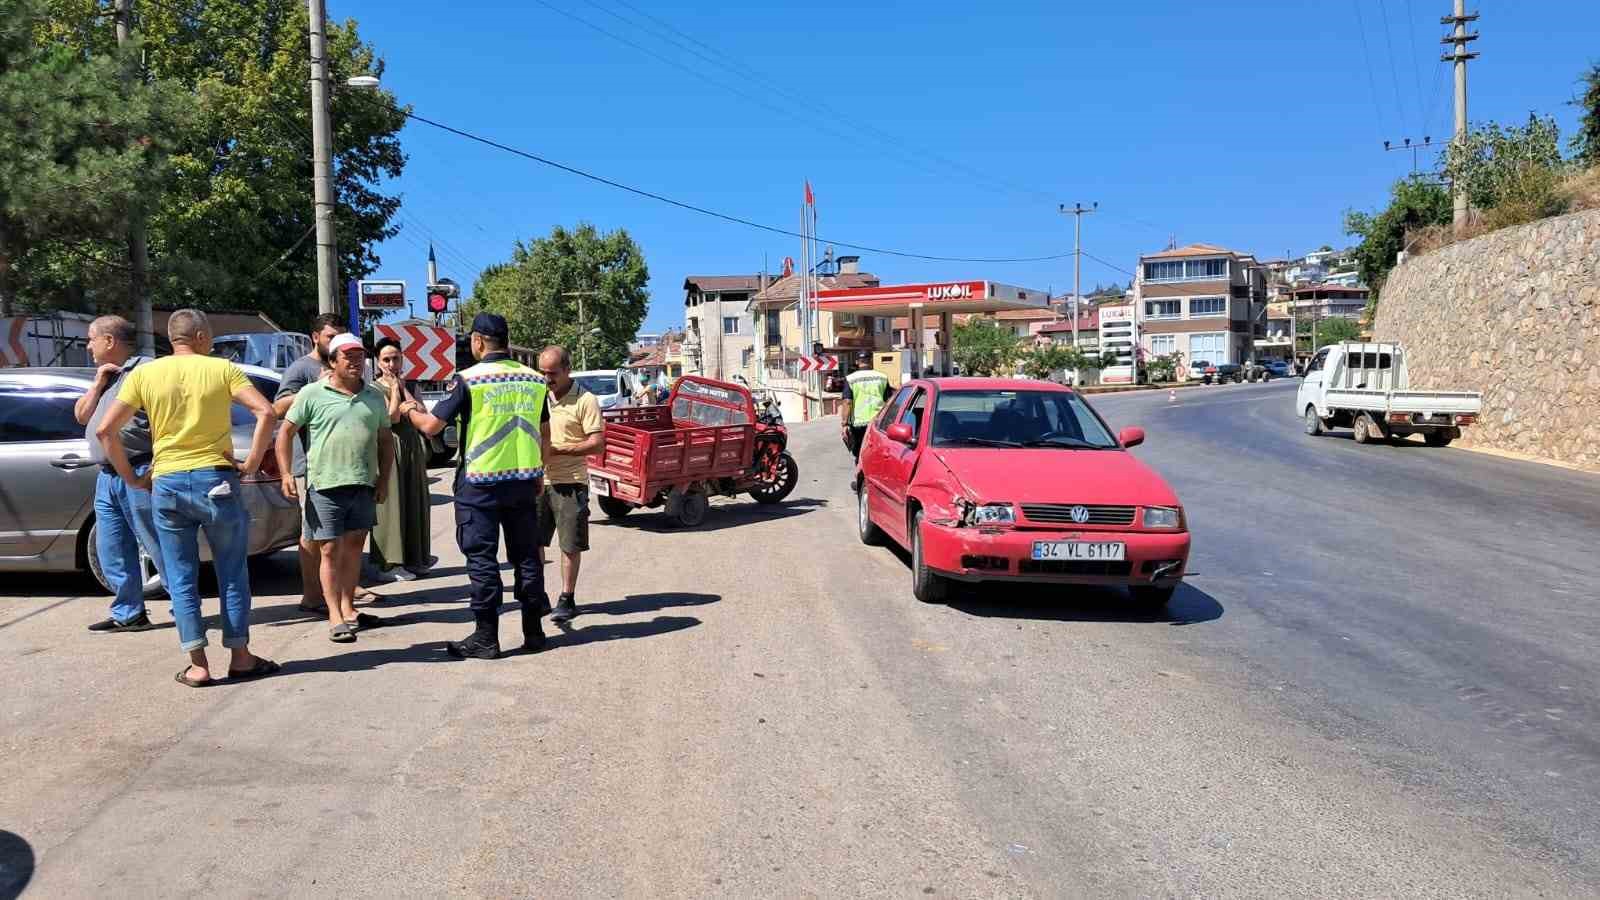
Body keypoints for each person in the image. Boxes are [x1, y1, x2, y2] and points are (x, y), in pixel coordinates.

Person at [97, 309, 280, 687]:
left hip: (166, 482)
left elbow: (104, 431)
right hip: (217, 480)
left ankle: (197, 664)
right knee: (232, 572)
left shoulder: (145, 374)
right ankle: (240, 657)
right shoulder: (222, 370)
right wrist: (250, 463)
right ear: (198, 335)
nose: (211, 340)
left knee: (180, 577)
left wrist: (133, 478)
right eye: (209, 334)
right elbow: (264, 411)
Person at [405, 313, 551, 659]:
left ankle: (487, 637)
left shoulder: (470, 379)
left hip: (480, 484)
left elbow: (431, 427)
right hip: (524, 481)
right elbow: (545, 433)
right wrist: (540, 473)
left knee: (482, 559)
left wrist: (410, 408)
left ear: (478, 341)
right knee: (528, 557)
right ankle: (534, 632)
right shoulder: (534, 380)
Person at [277, 333, 394, 643]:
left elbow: (385, 442)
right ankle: (334, 615)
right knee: (329, 550)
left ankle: (348, 608)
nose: (356, 362)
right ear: (332, 361)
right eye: (348, 357)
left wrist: (383, 480)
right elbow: (285, 433)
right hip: (325, 485)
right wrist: (286, 473)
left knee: (355, 548)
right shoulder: (312, 394)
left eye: (359, 357)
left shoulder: (373, 397)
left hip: (363, 483)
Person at [76, 315, 162, 633]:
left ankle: (186, 610)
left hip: (140, 469)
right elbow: (81, 415)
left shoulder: (147, 371)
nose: (88, 346)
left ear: (110, 341)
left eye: (91, 338)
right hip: (108, 476)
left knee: (159, 544)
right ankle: (129, 612)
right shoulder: (107, 376)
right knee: (112, 547)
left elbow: (168, 420)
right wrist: (99, 383)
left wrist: (156, 466)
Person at [274, 313, 346, 613]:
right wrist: (312, 388)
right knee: (312, 534)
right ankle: (311, 595)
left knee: (341, 533)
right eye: (330, 336)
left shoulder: (343, 363)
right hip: (312, 464)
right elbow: (278, 408)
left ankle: (344, 589)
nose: (335, 342)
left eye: (339, 336)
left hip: (341, 465)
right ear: (315, 337)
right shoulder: (302, 368)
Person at [536, 345, 605, 626]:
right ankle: (537, 594)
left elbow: (597, 443)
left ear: (567, 370)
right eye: (543, 373)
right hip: (539, 480)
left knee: (569, 545)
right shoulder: (538, 396)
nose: (547, 379)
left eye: (552, 373)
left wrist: (559, 451)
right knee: (533, 542)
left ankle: (567, 597)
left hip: (571, 483)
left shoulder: (586, 400)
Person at [369, 337, 433, 579]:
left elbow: (422, 412)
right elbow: (392, 417)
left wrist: (403, 388)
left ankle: (413, 557)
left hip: (411, 447)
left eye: (396, 358)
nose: (392, 364)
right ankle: (389, 563)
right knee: (392, 503)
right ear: (378, 362)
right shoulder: (375, 388)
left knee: (413, 499)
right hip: (390, 447)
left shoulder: (408, 384)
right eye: (386, 359)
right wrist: (396, 391)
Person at [840, 354, 891, 462]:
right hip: (878, 423)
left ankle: (861, 475)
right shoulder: (882, 377)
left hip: (859, 425)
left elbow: (847, 402)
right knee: (877, 452)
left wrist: (844, 424)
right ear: (871, 361)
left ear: (858, 362)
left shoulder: (851, 379)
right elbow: (889, 401)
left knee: (860, 453)